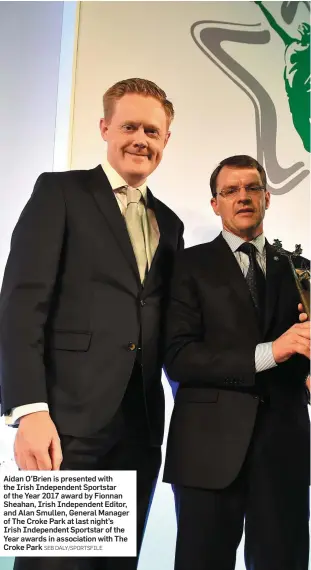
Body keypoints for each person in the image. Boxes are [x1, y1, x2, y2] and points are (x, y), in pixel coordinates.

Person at [0, 77, 184, 570]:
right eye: (129, 126)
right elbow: (21, 304)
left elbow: (169, 323)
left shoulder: (170, 223)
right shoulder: (59, 191)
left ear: (166, 141)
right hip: (66, 425)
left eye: (152, 130)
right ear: (105, 127)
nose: (140, 139)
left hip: (140, 429)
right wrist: (28, 411)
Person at [163, 154, 310, 570]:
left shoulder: (301, 270)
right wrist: (272, 352)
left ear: (267, 196)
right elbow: (179, 357)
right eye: (231, 190)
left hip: (284, 448)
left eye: (251, 188)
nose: (242, 197)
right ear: (215, 204)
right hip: (207, 450)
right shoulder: (185, 266)